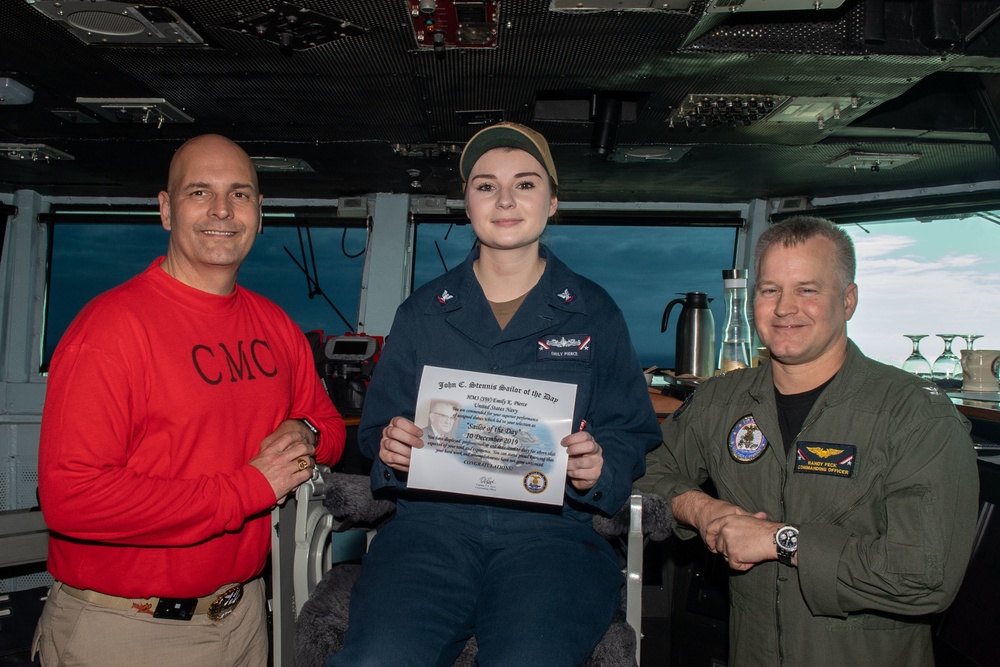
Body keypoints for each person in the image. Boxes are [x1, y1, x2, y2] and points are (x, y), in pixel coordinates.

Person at [327, 122, 661, 666]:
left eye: (525, 185)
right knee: (376, 658)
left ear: (552, 202)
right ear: (466, 203)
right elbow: (376, 428)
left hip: (553, 539)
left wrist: (600, 467)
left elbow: (630, 430)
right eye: (485, 186)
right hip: (429, 533)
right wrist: (391, 448)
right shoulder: (421, 313)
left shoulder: (595, 311)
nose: (505, 200)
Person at [32, 134, 346, 667]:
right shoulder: (110, 330)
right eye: (199, 192)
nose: (222, 210)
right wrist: (247, 488)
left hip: (244, 618)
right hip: (129, 630)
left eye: (240, 194)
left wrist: (306, 434)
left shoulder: (274, 325)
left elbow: (329, 428)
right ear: (165, 209)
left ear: (259, 212)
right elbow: (72, 499)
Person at [636, 215, 979, 666]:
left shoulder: (915, 415)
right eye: (770, 290)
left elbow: (925, 577)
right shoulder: (720, 400)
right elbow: (644, 471)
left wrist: (782, 540)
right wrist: (702, 509)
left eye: (807, 290)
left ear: (849, 299)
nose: (784, 309)